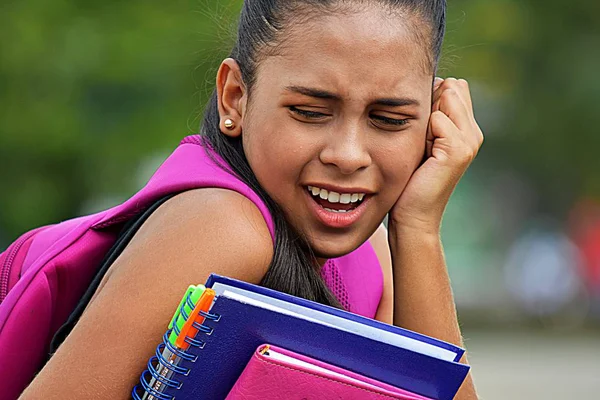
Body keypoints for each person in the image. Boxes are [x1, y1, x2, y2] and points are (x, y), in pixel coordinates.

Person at [19, 0, 483, 398]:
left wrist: (417, 227)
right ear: (235, 98)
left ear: (434, 121)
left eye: (389, 119)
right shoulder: (222, 227)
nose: (347, 155)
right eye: (310, 112)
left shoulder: (376, 256)